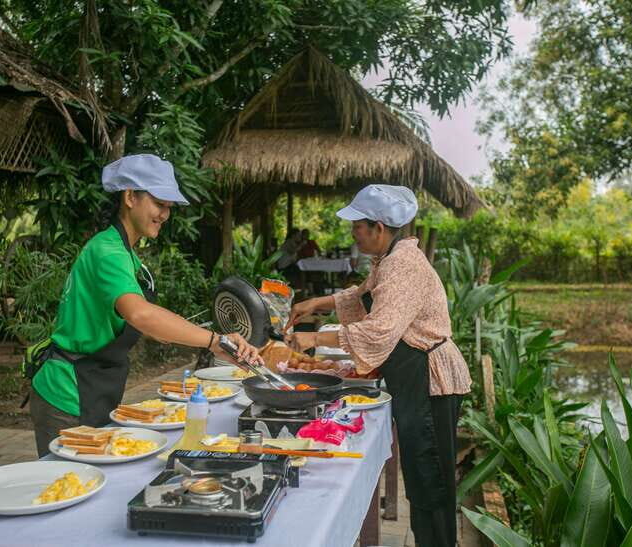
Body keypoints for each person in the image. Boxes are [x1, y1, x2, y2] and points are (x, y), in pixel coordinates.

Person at [29, 153, 262, 457]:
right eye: (159, 203)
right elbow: (140, 314)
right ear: (130, 197)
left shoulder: (127, 255)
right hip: (68, 391)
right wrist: (214, 341)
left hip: (95, 385)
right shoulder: (108, 252)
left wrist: (218, 343)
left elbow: (154, 328)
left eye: (169, 207)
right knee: (70, 480)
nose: (165, 214)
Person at [284, 184, 470, 547]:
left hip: (430, 379)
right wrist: (314, 304)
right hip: (416, 377)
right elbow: (361, 295)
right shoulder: (390, 258)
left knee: (431, 483)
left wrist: (313, 339)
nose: (353, 233)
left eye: (357, 226)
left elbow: (378, 331)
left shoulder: (402, 265)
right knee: (421, 479)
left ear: (378, 228)